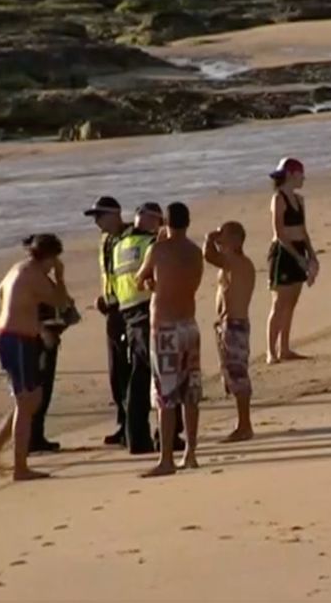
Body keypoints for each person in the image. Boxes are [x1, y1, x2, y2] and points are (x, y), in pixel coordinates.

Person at [0, 234, 71, 481]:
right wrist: (60, 277)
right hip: (16, 340)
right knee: (27, 402)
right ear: (50, 258)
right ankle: (19, 466)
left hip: (10, 336)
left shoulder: (18, 268)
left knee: (31, 399)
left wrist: (27, 317)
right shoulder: (35, 275)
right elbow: (60, 301)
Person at [136, 202, 204, 478]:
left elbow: (140, 279)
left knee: (165, 395)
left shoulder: (158, 249)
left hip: (164, 327)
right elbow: (192, 284)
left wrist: (153, 283)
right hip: (189, 324)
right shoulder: (195, 251)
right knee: (190, 393)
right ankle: (191, 452)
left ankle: (167, 458)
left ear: (165, 221)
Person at [109, 202, 166, 454]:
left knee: (137, 374)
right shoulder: (151, 245)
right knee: (154, 373)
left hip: (126, 311)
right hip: (146, 309)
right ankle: (157, 435)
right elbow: (155, 279)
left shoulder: (120, 245)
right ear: (155, 221)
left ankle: (136, 435)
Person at [83, 196, 131, 446]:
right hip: (112, 310)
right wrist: (104, 298)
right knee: (117, 372)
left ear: (115, 214)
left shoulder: (131, 236)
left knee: (131, 368)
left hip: (130, 309)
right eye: (95, 218)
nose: (97, 223)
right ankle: (123, 423)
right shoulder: (105, 240)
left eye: (100, 216)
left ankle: (132, 424)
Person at [204, 221, 257, 443]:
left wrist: (209, 236)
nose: (219, 239)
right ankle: (243, 423)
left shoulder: (236, 262)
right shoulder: (233, 263)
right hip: (230, 323)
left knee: (237, 375)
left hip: (234, 324)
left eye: (224, 236)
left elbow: (208, 256)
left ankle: (244, 425)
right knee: (233, 375)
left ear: (235, 240)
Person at [267, 157, 319, 364]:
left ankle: (285, 348)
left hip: (298, 248)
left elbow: (303, 231)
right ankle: (271, 350)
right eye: (300, 174)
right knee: (279, 302)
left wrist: (311, 255)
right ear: (290, 174)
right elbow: (279, 232)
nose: (303, 178)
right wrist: (298, 258)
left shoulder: (299, 200)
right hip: (283, 252)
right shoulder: (278, 199)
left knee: (292, 302)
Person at [31, 300, 81, 453]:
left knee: (40, 389)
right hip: (42, 332)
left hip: (41, 331)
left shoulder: (35, 278)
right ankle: (33, 437)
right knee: (41, 388)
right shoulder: (37, 279)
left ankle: (35, 436)